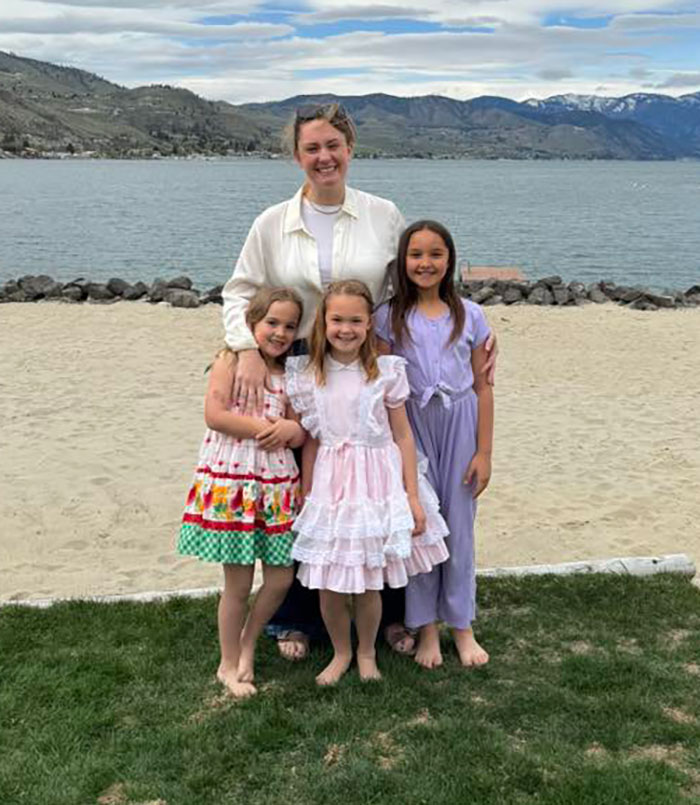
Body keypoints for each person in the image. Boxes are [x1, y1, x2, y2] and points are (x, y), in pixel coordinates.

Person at [222, 101, 498, 661]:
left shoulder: (382, 213)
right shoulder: (271, 223)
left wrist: (471, 333)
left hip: (372, 360)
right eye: (311, 148)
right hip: (300, 360)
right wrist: (249, 349)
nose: (323, 157)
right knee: (310, 491)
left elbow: (417, 288)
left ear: (350, 148)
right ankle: (298, 618)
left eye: (333, 145)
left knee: (379, 488)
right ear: (296, 155)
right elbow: (239, 291)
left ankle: (394, 617)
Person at [285, 280, 449, 685]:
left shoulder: (386, 371)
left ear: (368, 323)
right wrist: (307, 491)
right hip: (331, 484)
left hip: (378, 481)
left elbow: (403, 436)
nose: (346, 328)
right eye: (337, 319)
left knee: (369, 581)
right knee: (329, 582)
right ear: (323, 321)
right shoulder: (309, 376)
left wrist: (411, 496)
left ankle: (366, 652)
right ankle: (340, 652)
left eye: (356, 320)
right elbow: (312, 439)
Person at [374, 221, 495, 670]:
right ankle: (425, 628)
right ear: (402, 262)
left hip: (461, 424)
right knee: (421, 525)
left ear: (450, 260)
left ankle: (462, 626)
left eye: (436, 254)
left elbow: (484, 387)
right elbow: (382, 381)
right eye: (416, 254)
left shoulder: (470, 315)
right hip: (412, 428)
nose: (426, 263)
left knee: (460, 528)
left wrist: (484, 452)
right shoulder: (387, 317)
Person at [177, 287, 307, 697]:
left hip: (276, 486)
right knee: (237, 582)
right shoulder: (230, 360)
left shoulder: (292, 373)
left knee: (282, 576)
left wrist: (292, 430)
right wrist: (264, 430)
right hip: (234, 481)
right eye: (272, 323)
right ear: (252, 323)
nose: (280, 333)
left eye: (289, 326)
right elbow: (215, 414)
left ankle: (250, 640)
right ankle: (228, 663)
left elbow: (299, 427)